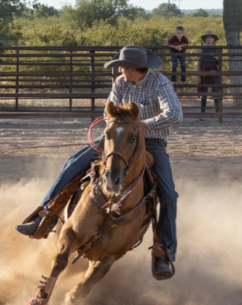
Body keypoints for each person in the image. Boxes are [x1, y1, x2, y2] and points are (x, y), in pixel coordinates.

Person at [14, 46, 181, 280]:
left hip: (150, 142)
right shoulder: (121, 83)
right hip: (116, 138)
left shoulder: (160, 83)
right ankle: (45, 217)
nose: (120, 70)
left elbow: (174, 113)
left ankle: (163, 252)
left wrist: (141, 125)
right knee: (73, 163)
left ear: (133, 69)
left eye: (122, 66)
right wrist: (121, 126)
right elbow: (108, 111)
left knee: (168, 195)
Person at [196, 30, 222, 118]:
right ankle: (202, 114)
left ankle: (217, 113)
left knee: (215, 93)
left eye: (211, 37)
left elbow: (222, 64)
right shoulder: (201, 49)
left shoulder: (217, 49)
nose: (209, 39)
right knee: (204, 94)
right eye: (207, 37)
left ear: (214, 39)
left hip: (214, 72)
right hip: (204, 73)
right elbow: (199, 62)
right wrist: (198, 75)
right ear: (205, 39)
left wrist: (217, 58)